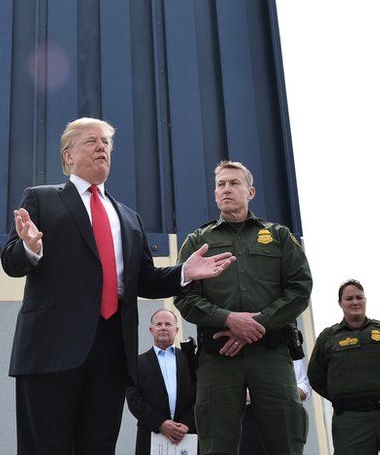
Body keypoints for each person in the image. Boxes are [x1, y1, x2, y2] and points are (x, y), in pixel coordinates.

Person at [1, 118, 236, 454]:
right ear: (68, 156)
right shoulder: (41, 199)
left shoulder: (128, 217)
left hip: (111, 352)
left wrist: (185, 272)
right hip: (50, 350)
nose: (102, 147)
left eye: (107, 143)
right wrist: (30, 248)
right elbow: (11, 262)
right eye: (91, 141)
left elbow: (145, 279)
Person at [174, 160, 311, 455]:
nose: (227, 189)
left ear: (250, 191)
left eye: (234, 183)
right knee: (216, 443)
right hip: (219, 358)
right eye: (221, 184)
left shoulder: (278, 236)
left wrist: (258, 323)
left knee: (285, 439)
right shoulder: (198, 241)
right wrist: (228, 320)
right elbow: (183, 296)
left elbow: (300, 288)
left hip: (271, 353)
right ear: (214, 194)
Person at [308, 280, 380, 454]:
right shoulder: (328, 338)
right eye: (349, 298)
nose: (355, 302)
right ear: (340, 303)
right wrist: (343, 397)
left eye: (359, 297)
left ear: (365, 300)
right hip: (351, 421)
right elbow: (316, 377)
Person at [126, 308, 196, 455]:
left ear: (176, 330)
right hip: (151, 435)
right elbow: (134, 400)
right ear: (151, 330)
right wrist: (160, 424)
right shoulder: (137, 363)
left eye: (168, 324)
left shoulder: (190, 360)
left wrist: (187, 424)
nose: (163, 327)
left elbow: (201, 395)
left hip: (187, 436)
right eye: (159, 324)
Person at [239, 358, 311, 455]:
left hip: (283, 415)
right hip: (247, 418)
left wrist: (277, 394)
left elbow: (304, 387)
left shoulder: (285, 346)